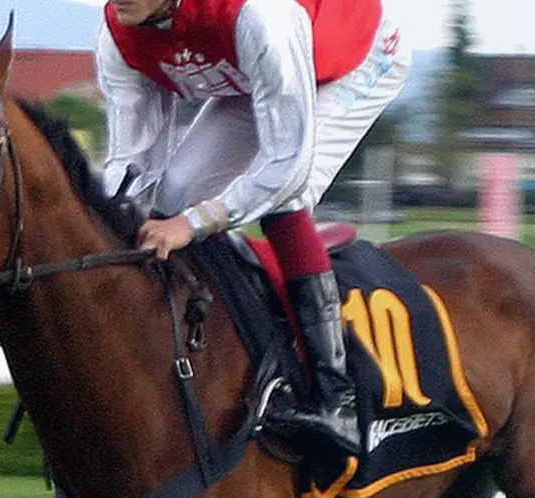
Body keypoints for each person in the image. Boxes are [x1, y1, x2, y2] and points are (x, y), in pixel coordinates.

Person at [97, 0, 413, 457]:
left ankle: (336, 398)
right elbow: (131, 168)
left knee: (284, 201)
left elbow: (286, 168)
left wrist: (193, 225)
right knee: (174, 193)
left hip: (358, 55)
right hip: (257, 68)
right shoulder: (119, 32)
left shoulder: (257, 14)